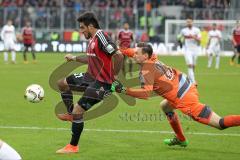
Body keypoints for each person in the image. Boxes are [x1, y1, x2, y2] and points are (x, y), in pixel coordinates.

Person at [113, 43, 240, 147]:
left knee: (220, 123)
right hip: (186, 84)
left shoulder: (147, 69)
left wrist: (123, 90)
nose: (134, 55)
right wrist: (118, 49)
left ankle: (181, 138)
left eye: (137, 54)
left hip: (186, 99)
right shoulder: (152, 57)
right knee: (165, 106)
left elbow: (145, 94)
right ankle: (181, 139)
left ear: (145, 56)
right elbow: (131, 51)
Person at [56, 12, 123, 154]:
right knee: (62, 83)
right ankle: (70, 114)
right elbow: (91, 58)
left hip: (103, 83)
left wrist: (114, 75)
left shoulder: (102, 38)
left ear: (91, 26)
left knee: (78, 111)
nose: (81, 31)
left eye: (82, 28)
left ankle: (73, 146)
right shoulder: (92, 39)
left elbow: (118, 55)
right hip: (90, 78)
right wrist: (74, 58)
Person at [179, 18, 201, 84]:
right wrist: (180, 43)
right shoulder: (183, 31)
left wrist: (194, 37)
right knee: (190, 65)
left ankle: (189, 79)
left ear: (192, 22)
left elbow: (200, 40)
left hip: (195, 49)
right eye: (187, 22)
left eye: (190, 22)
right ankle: (193, 82)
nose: (188, 23)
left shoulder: (197, 30)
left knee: (193, 66)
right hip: (187, 50)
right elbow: (180, 38)